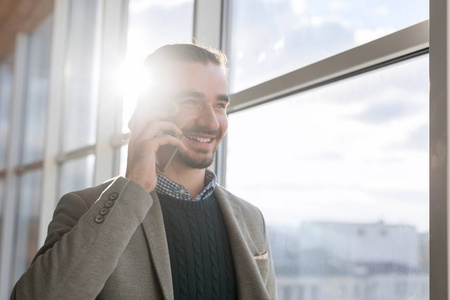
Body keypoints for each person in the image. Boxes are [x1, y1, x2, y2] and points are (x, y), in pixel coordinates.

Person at [11, 44, 276, 300]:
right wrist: (134, 186)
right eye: (191, 102)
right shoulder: (84, 207)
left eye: (219, 105)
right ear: (150, 112)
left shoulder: (251, 219)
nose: (210, 121)